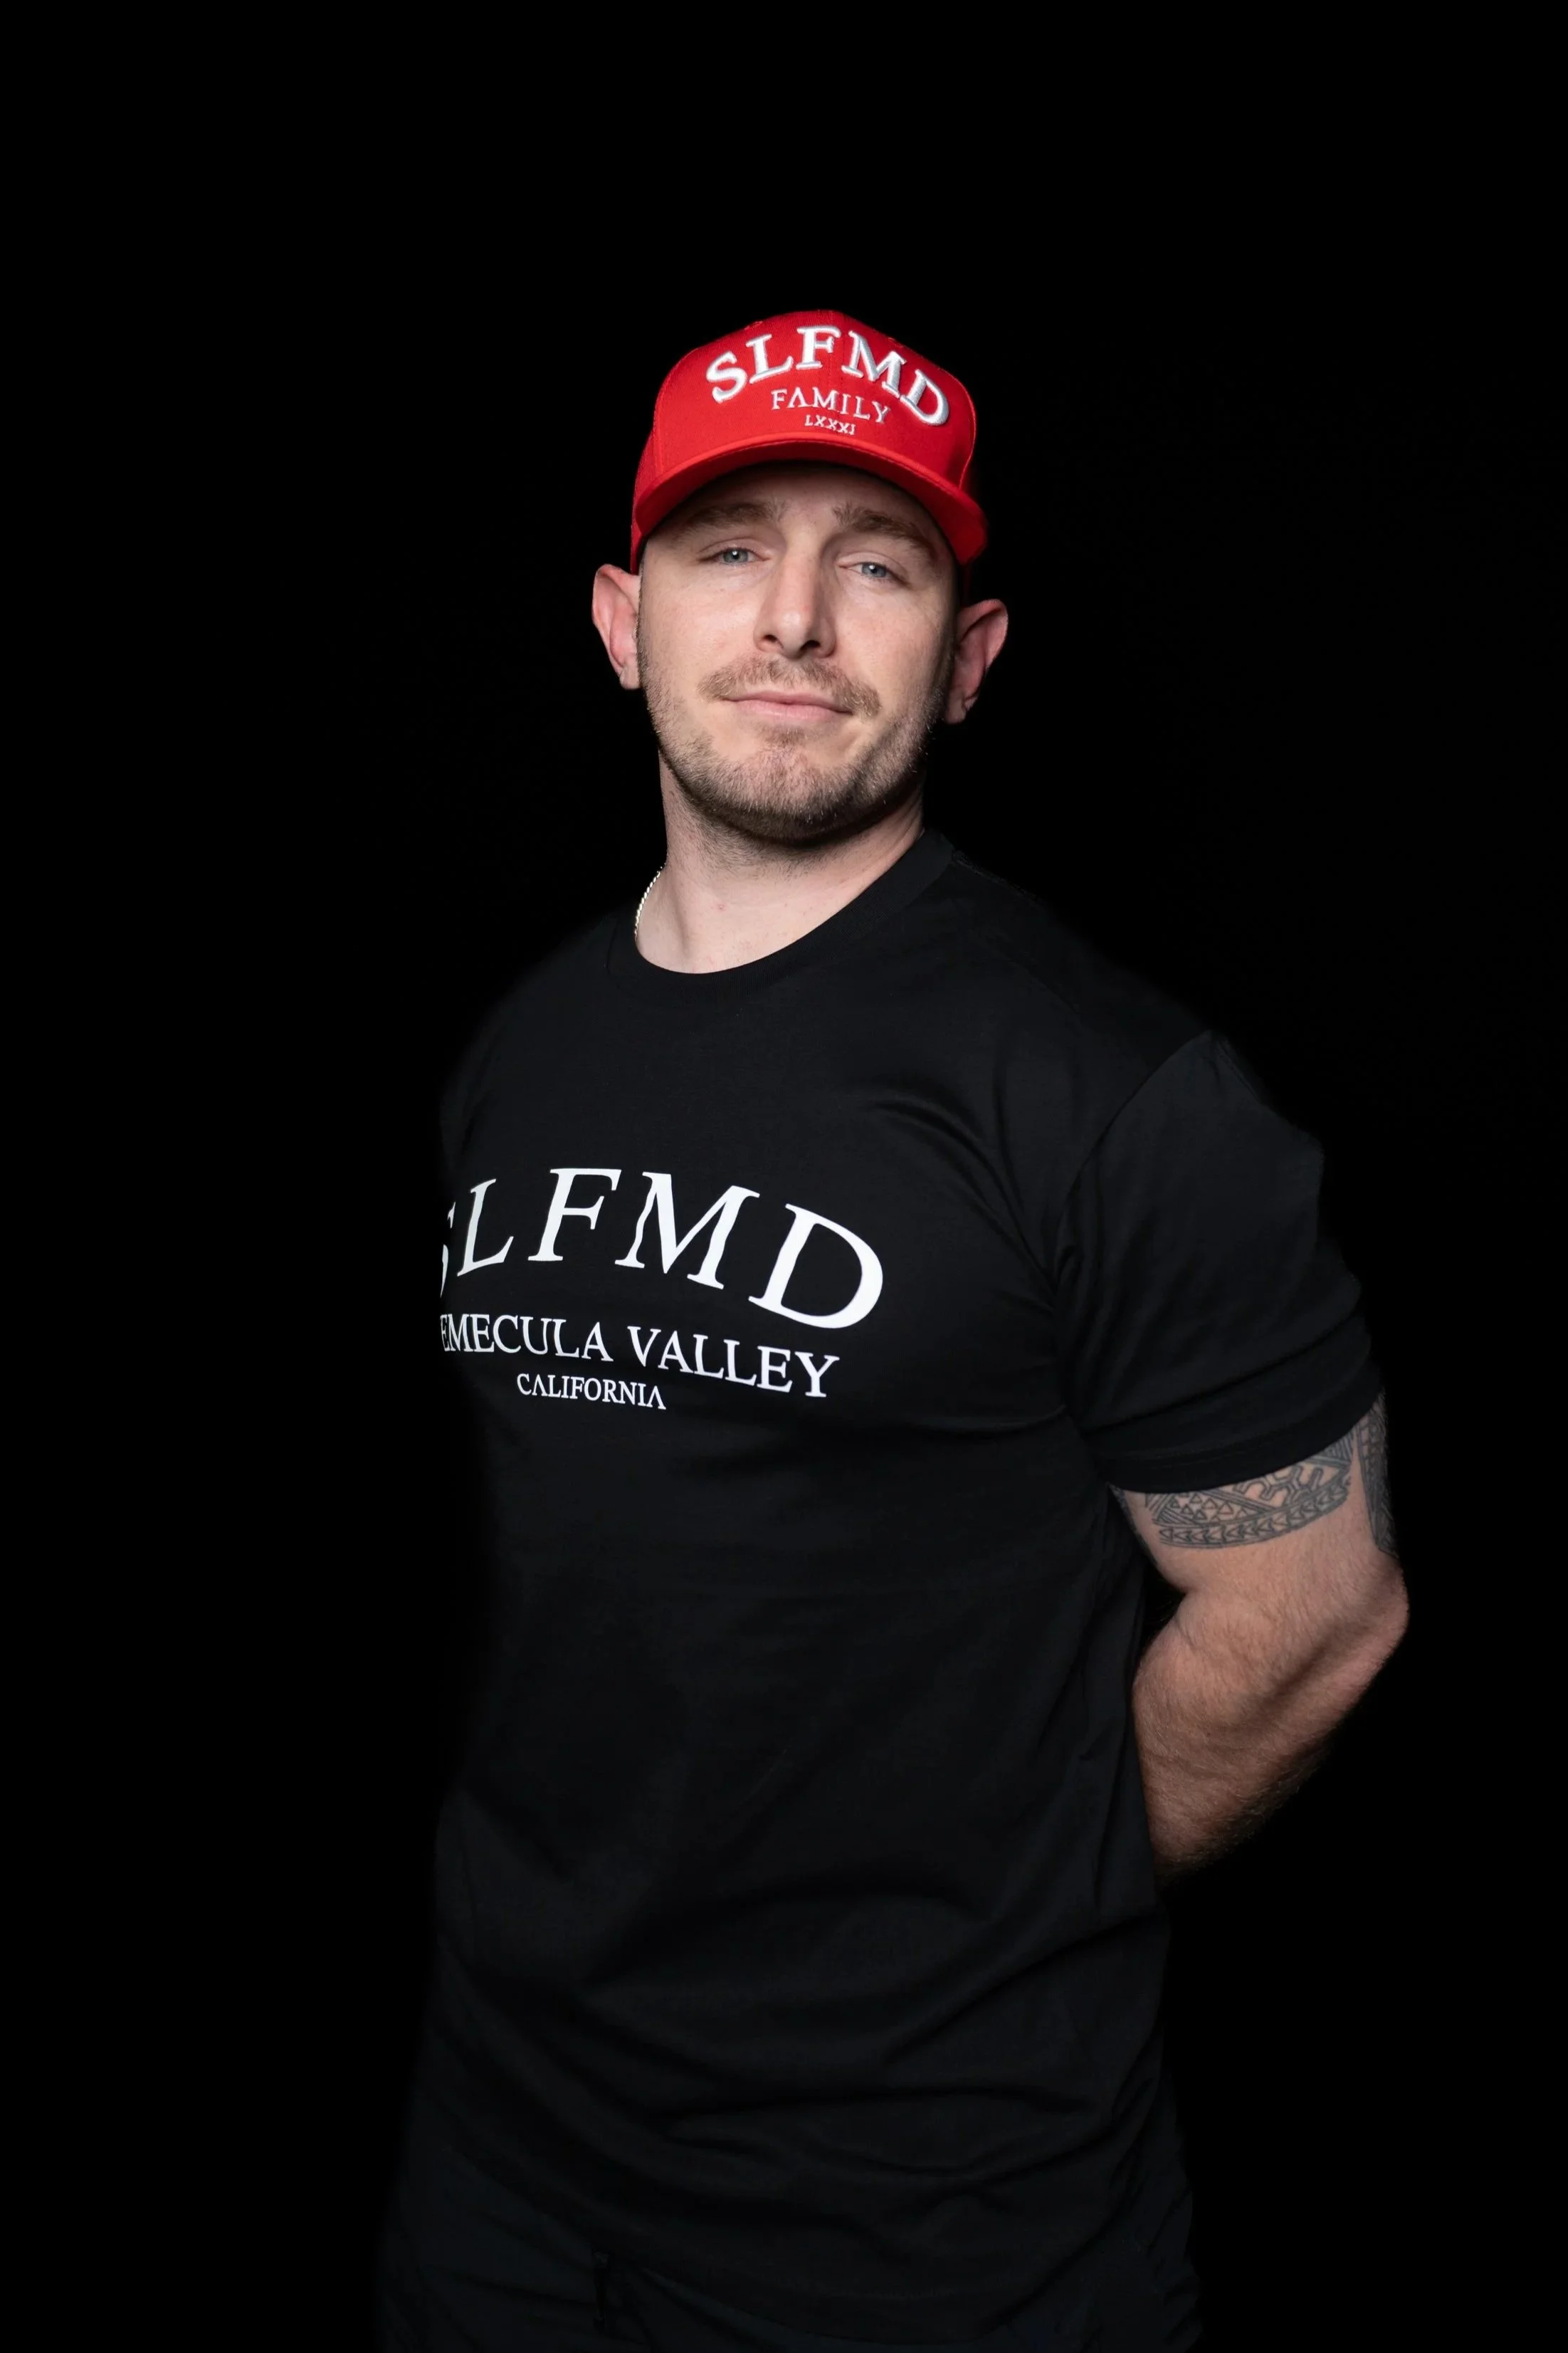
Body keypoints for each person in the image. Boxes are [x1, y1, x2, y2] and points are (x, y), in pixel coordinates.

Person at [377, 310, 1408, 2351]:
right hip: (500, 2142)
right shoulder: (528, 1046)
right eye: (725, 547)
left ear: (969, 655)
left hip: (924, 2214)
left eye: (876, 561)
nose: (792, 619)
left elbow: (1318, 1620)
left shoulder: (1118, 1097)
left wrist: (995, 1918)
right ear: (619, 617)